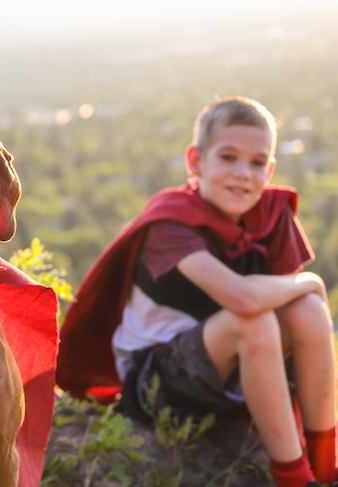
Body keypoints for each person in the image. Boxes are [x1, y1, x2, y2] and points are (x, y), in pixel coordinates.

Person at [56, 96, 337, 487]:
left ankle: (326, 469)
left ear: (270, 169)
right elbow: (244, 299)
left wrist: (306, 296)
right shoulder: (171, 223)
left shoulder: (271, 215)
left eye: (257, 163)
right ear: (195, 161)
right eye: (228, 157)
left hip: (234, 365)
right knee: (254, 320)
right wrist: (314, 282)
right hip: (156, 381)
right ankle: (294, 480)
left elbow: (291, 311)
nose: (243, 173)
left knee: (306, 311)